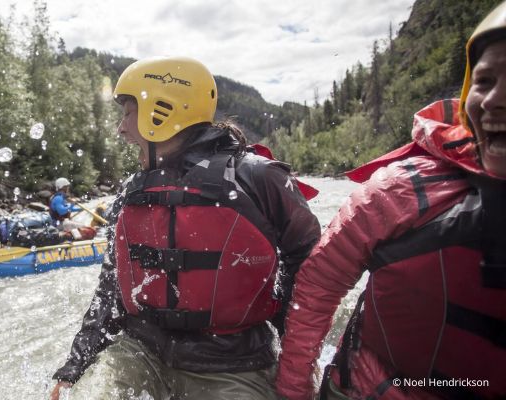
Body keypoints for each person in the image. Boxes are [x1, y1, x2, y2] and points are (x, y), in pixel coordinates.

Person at [49, 56, 320, 400]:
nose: (121, 128)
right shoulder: (131, 193)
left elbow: (312, 269)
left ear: (161, 112)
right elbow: (110, 291)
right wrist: (74, 367)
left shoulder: (259, 177)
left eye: (128, 112)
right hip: (140, 354)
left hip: (233, 362)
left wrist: (297, 363)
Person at [276, 3, 506, 399]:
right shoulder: (399, 189)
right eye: (484, 81)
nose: (492, 101)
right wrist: (293, 390)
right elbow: (319, 282)